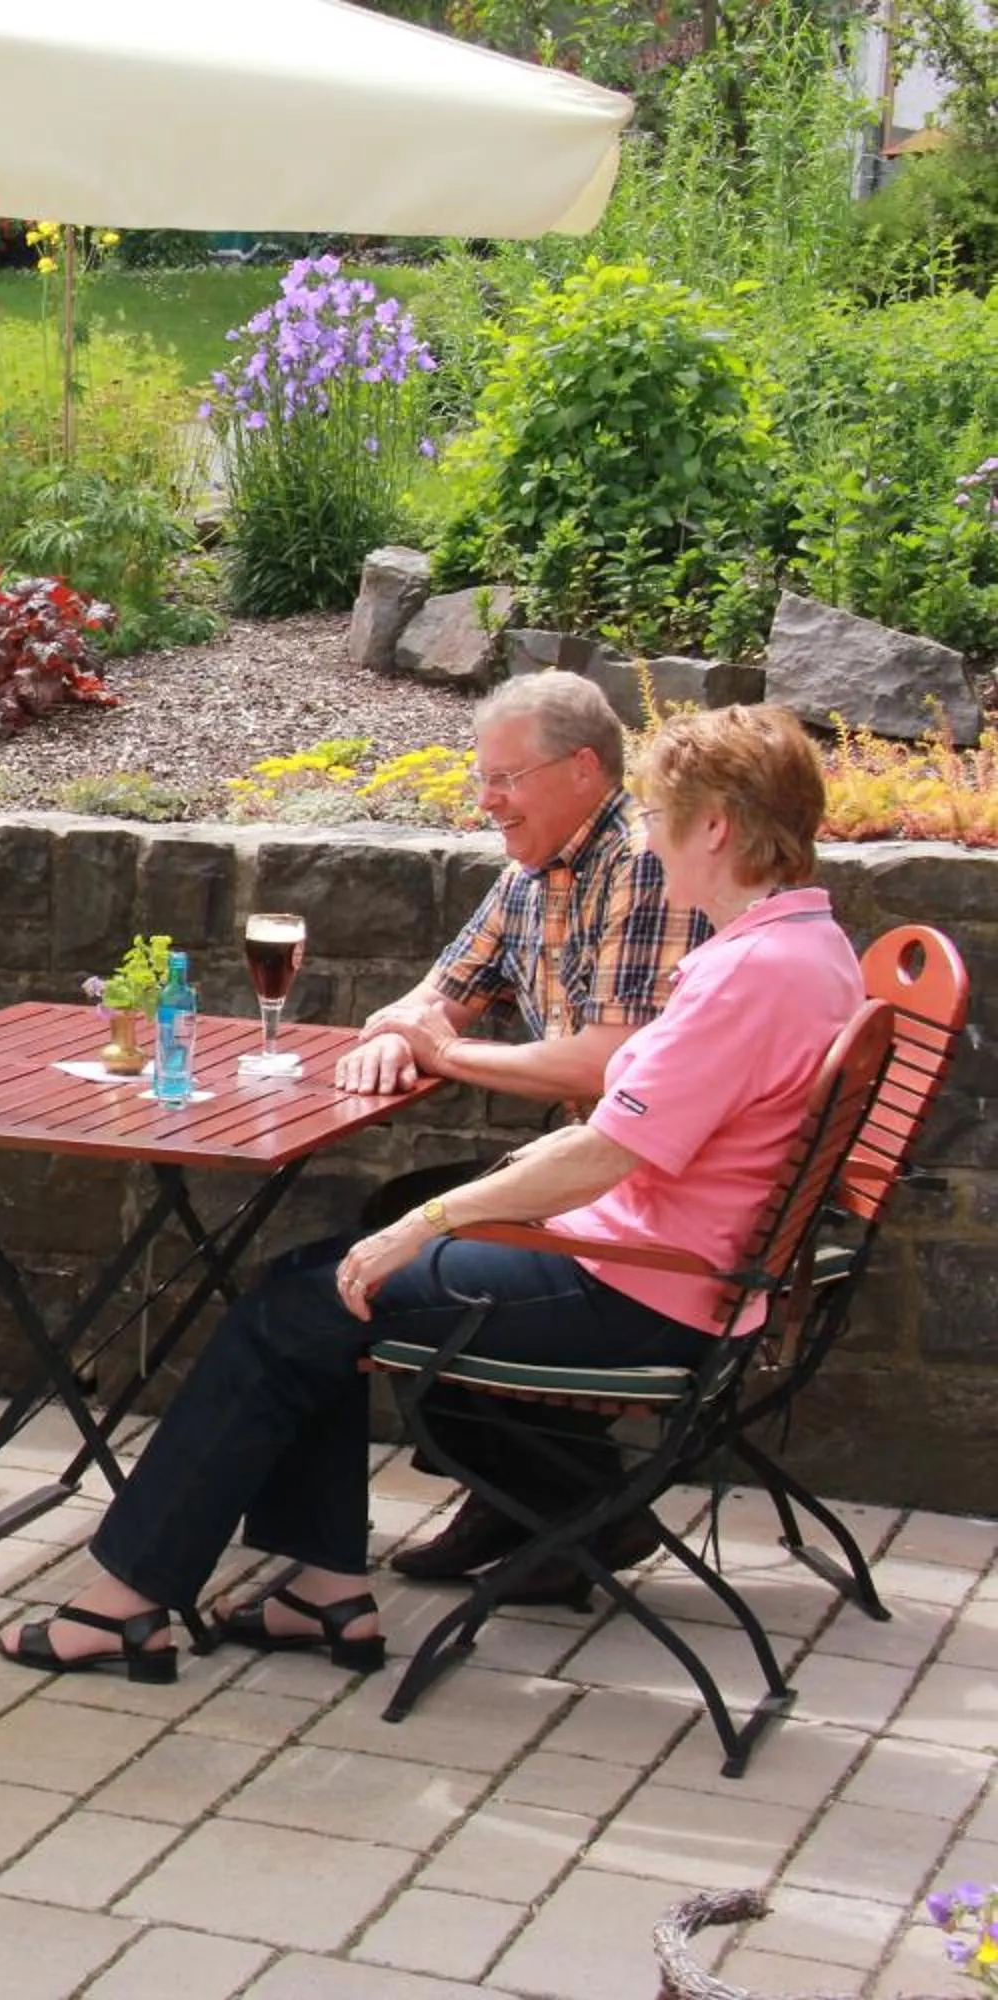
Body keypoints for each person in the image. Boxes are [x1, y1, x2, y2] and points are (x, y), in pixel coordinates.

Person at [0, 705, 857, 1684]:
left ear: (717, 827)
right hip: (663, 1266)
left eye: (662, 816)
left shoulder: (749, 973)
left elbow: (611, 1150)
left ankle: (128, 1601)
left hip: (637, 1286)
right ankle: (322, 1591)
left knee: (297, 1304)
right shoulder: (810, 947)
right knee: (322, 1289)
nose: (651, 839)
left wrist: (430, 1219)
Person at [335, 671, 708, 1601]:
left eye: (507, 778)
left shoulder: (641, 865)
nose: (487, 800)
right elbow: (438, 995)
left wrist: (443, 1051)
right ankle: (529, 1497)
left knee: (399, 1255)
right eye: (483, 779)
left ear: (583, 768)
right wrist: (397, 1034)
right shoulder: (531, 873)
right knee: (396, 1216)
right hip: (597, 1170)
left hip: (638, 1183)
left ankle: (569, 1503)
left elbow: (604, 1066)